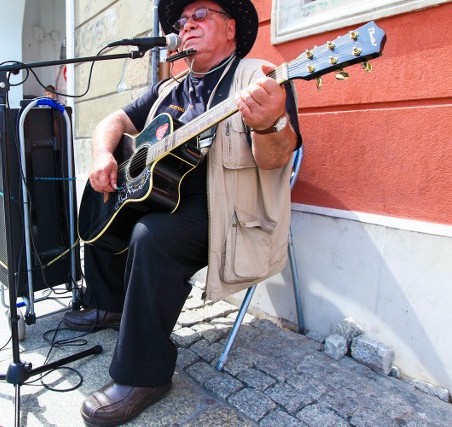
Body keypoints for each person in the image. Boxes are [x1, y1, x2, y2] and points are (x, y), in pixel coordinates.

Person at [64, 1, 302, 425]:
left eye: (200, 15)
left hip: (226, 211)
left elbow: (277, 159)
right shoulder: (167, 90)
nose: (186, 26)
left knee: (150, 236)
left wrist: (269, 125)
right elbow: (114, 120)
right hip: (164, 198)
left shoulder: (259, 78)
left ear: (231, 29)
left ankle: (144, 376)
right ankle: (110, 304)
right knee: (105, 200)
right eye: (181, 21)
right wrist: (103, 154)